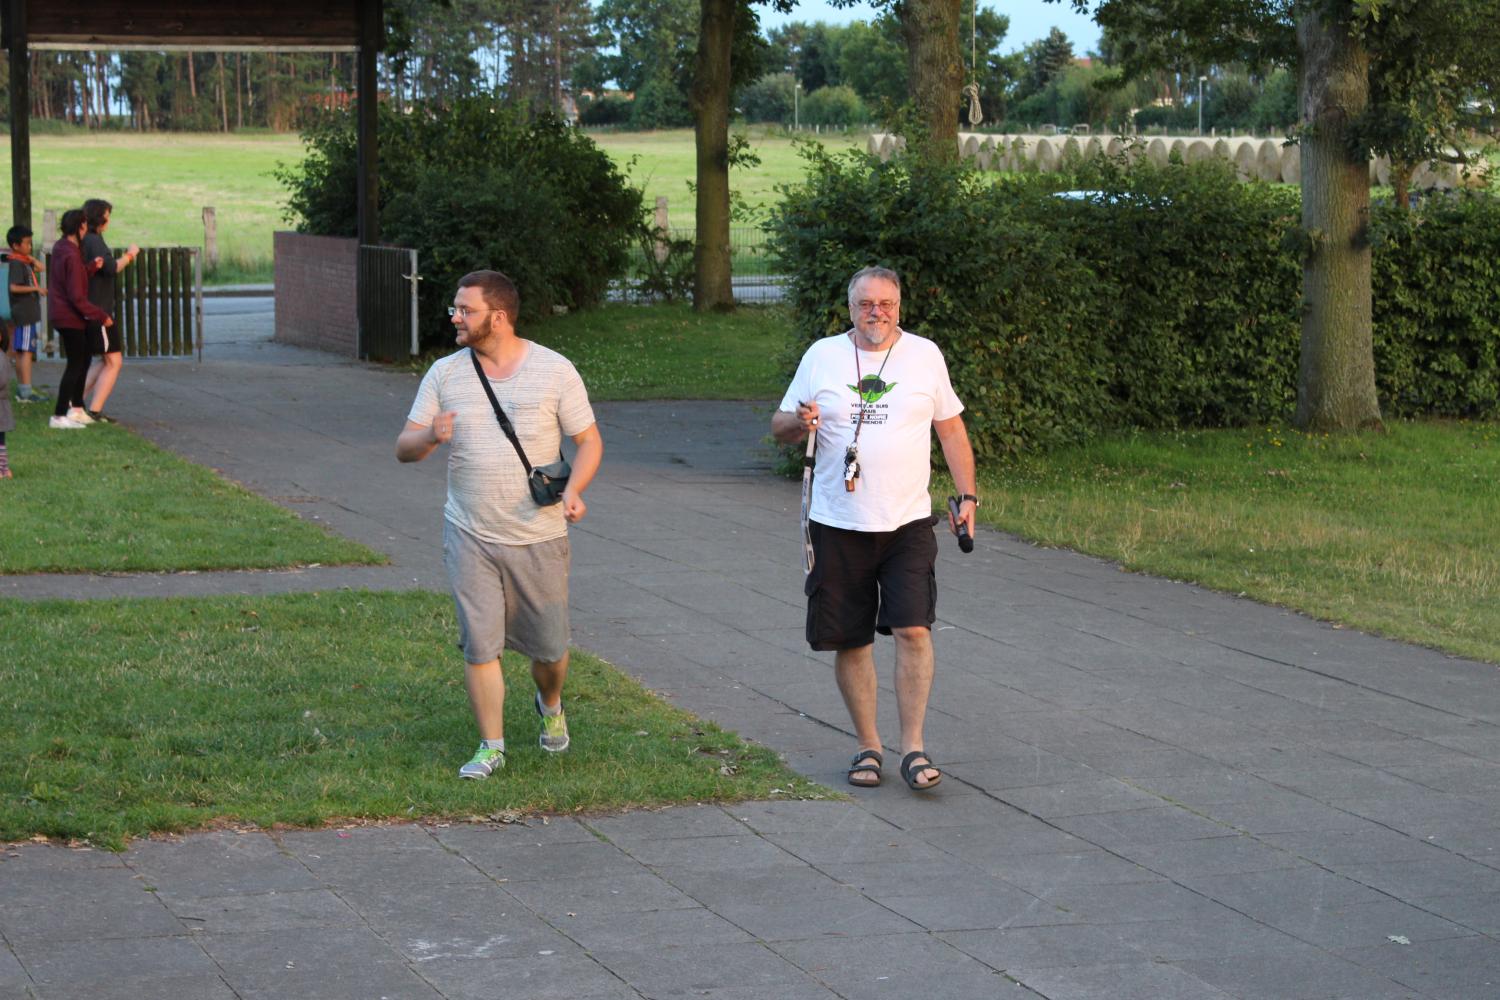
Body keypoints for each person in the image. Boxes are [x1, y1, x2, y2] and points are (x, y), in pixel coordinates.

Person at [771, 265, 978, 792]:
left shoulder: (924, 355)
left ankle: (913, 747)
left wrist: (968, 496)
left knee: (914, 629)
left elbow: (951, 430)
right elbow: (780, 428)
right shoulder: (822, 355)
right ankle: (868, 745)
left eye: (886, 304)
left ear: (899, 307)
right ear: (850, 308)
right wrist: (800, 422)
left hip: (907, 521)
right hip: (837, 522)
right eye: (866, 304)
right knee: (851, 638)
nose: (876, 313)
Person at [397, 270, 604, 779]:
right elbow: (404, 448)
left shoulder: (554, 370)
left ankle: (549, 703)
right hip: (469, 532)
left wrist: (574, 490)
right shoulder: (445, 374)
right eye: (455, 308)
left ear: (499, 317)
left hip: (539, 536)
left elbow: (589, 442)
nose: (455, 317)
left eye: (466, 310)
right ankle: (491, 747)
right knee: (480, 645)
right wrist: (430, 437)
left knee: (550, 651)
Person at [48, 210, 113, 430]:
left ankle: (76, 408)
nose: (86, 229)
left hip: (63, 314)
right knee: (75, 364)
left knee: (84, 359)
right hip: (69, 316)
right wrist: (101, 316)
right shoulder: (71, 254)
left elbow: (73, 276)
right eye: (84, 225)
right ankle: (59, 415)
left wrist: (91, 267)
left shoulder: (62, 248)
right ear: (80, 227)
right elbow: (76, 296)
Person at [79, 198, 140, 424]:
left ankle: (75, 404)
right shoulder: (94, 241)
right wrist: (130, 254)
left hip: (93, 309)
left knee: (105, 359)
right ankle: (94, 410)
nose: (109, 220)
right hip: (99, 311)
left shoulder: (86, 240)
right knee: (114, 361)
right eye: (107, 215)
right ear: (99, 218)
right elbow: (111, 267)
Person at [6, 226, 49, 404]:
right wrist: (36, 289)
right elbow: (14, 287)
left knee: (24, 350)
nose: (30, 247)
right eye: (27, 243)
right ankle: (26, 390)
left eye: (31, 243)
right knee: (25, 352)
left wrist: (30, 258)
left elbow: (41, 268)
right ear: (16, 246)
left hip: (28, 313)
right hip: (24, 313)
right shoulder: (16, 264)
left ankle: (23, 388)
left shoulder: (23, 261)